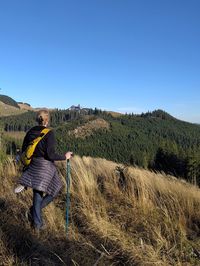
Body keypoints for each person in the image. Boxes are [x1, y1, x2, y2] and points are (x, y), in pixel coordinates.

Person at [18, 109, 73, 231]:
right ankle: (37, 223)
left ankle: (34, 214)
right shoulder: (49, 133)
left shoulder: (30, 132)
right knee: (55, 189)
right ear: (47, 120)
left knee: (39, 193)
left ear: (38, 119)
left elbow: (24, 150)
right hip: (46, 167)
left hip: (33, 165)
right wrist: (65, 156)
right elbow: (51, 155)